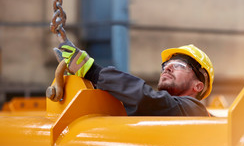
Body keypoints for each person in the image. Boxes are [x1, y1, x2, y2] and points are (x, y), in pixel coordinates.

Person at [55, 42, 214, 116]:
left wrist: (92, 71)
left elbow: (146, 99)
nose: (167, 68)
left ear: (198, 86)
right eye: (165, 65)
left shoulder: (195, 110)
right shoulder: (162, 111)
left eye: (179, 65)